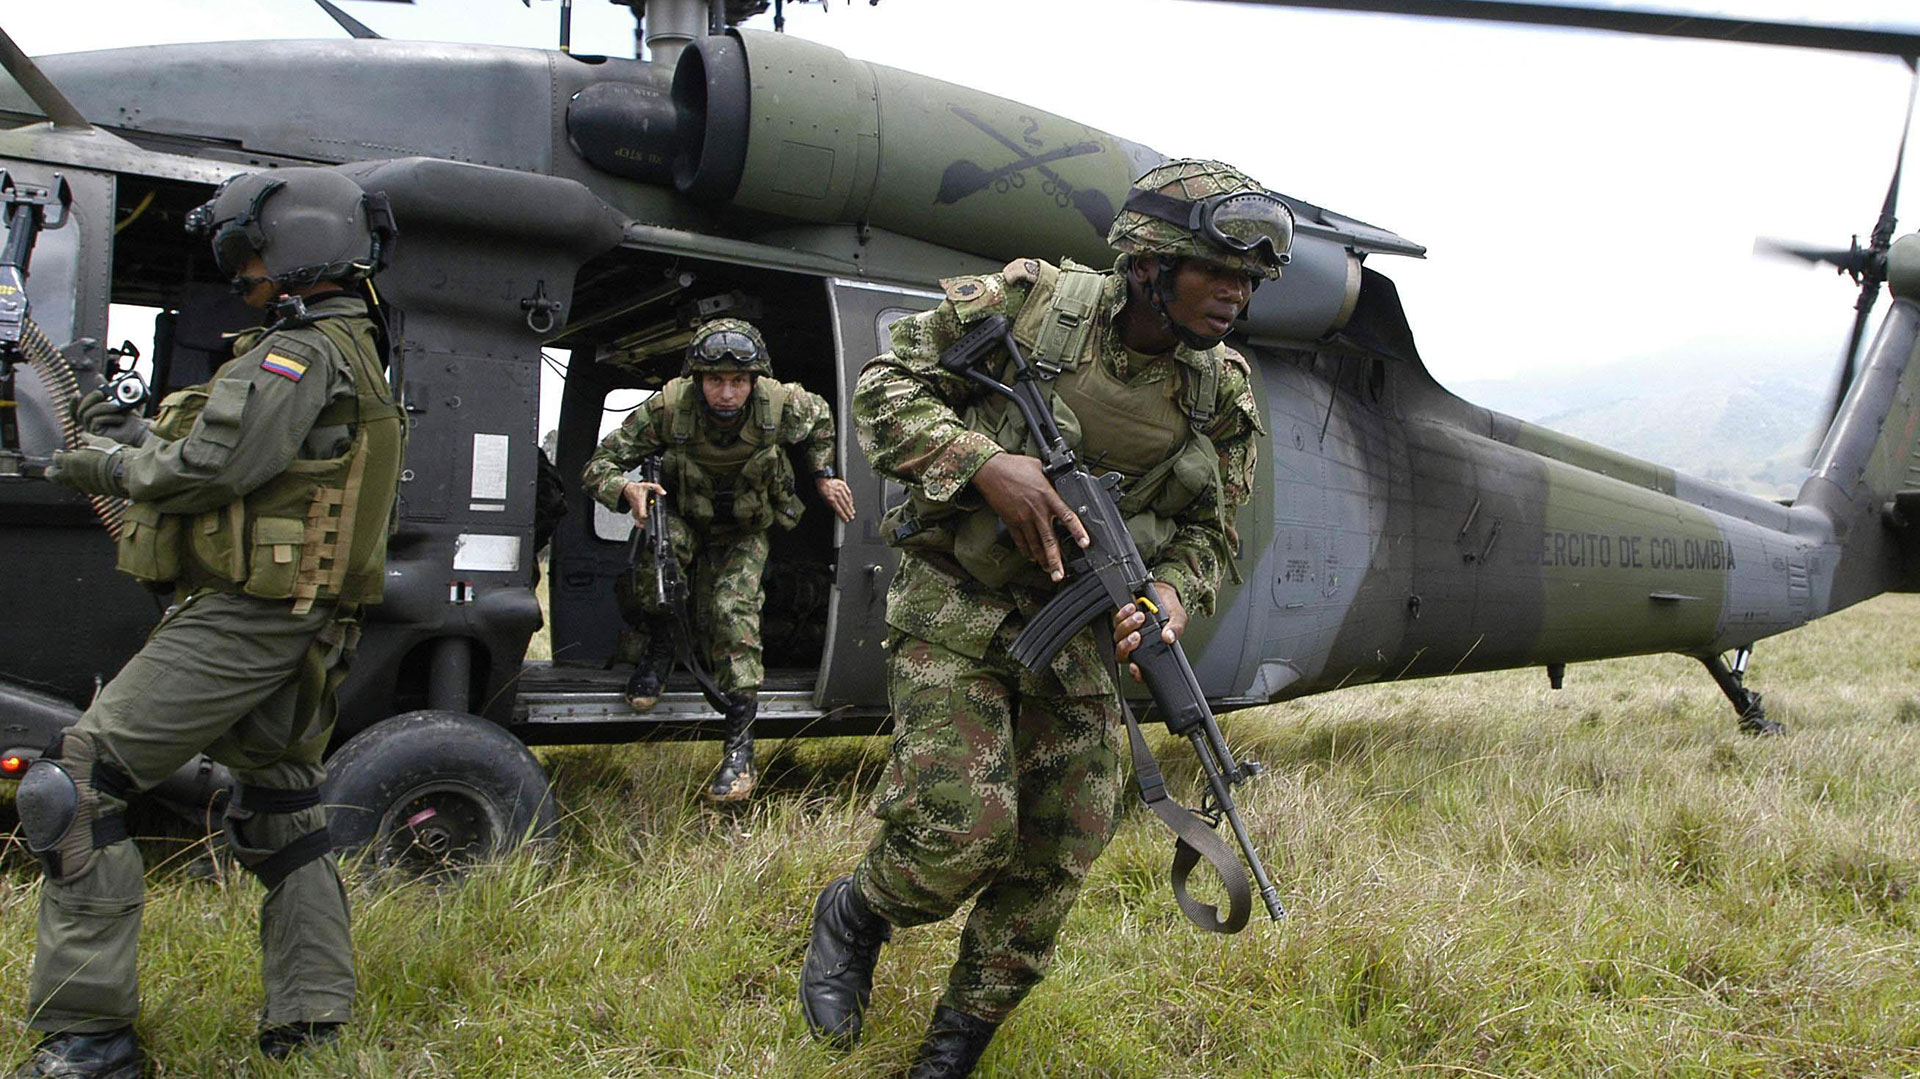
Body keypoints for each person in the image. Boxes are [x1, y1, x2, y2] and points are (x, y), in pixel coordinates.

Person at [798, 159, 1288, 1077]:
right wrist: (984, 462)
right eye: (1217, 273)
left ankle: (950, 1051)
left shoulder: (1223, 391)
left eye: (1249, 281)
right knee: (959, 835)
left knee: (1061, 851)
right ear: (1150, 264)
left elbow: (1212, 535)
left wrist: (1172, 595)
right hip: (957, 602)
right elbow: (880, 387)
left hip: (1084, 641)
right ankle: (855, 911)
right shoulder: (1029, 301)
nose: (1235, 295)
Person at [16, 167, 405, 1077]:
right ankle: (310, 1023)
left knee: (75, 785)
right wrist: (122, 427)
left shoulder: (301, 352)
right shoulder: (342, 345)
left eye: (251, 253)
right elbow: (231, 455)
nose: (243, 272)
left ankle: (90, 1039)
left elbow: (206, 473)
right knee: (282, 811)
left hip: (247, 615)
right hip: (301, 617)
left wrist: (96, 467)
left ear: (298, 247)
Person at [581, 318, 854, 802]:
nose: (726, 393)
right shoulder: (667, 408)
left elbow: (821, 421)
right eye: (714, 381)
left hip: (747, 528)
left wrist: (823, 475)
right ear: (697, 379)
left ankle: (740, 748)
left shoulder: (783, 403)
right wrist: (626, 488)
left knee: (733, 612)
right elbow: (597, 466)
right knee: (656, 573)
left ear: (753, 381)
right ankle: (662, 645)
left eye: (738, 382)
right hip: (685, 519)